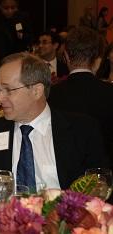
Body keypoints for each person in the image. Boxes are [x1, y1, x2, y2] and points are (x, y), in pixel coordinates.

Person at [0, 52, 109, 190]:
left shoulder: (82, 130)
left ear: (37, 91)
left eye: (8, 90)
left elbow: (99, 188)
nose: (0, 98)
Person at [48, 26, 113, 165]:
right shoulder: (109, 92)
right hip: (105, 175)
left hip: (63, 175)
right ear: (98, 60)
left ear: (65, 56)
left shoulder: (51, 95)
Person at [0, 0, 33, 86]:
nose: (10, 11)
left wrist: (23, 36)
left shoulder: (23, 18)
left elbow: (31, 37)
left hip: (20, 61)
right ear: (0, 7)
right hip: (0, 63)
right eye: (6, 8)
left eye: (13, 8)